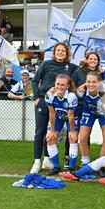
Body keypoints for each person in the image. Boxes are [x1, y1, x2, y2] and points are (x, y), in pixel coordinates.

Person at [30, 42, 77, 174]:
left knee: (49, 131)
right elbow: (34, 81)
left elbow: (82, 73)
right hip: (44, 102)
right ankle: (37, 162)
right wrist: (37, 98)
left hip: (58, 105)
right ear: (54, 52)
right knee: (40, 132)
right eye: (58, 50)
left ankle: (47, 159)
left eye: (63, 51)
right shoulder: (46, 64)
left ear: (67, 53)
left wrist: (89, 66)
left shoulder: (71, 67)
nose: (60, 53)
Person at [77, 71, 105, 169]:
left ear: (99, 83)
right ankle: (85, 163)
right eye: (88, 82)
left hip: (103, 113)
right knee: (83, 137)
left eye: (94, 82)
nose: (91, 84)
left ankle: (100, 165)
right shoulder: (81, 90)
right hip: (89, 112)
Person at [45, 74, 79, 175]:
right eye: (58, 84)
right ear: (54, 84)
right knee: (50, 138)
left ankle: (71, 168)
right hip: (58, 117)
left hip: (71, 118)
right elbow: (51, 113)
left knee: (72, 139)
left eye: (63, 85)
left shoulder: (71, 96)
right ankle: (56, 167)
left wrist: (72, 131)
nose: (60, 87)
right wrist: (52, 130)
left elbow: (71, 116)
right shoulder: (49, 94)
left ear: (67, 86)